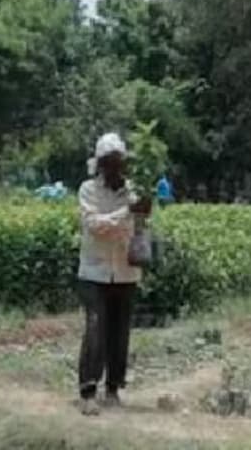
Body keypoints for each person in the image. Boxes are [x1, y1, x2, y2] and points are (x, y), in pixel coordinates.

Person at [76, 132, 152, 416]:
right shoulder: (87, 191)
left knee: (119, 333)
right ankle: (87, 390)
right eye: (108, 163)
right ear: (100, 165)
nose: (114, 169)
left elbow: (137, 229)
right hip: (94, 272)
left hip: (125, 272)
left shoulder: (134, 190)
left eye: (118, 163)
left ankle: (113, 389)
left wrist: (142, 213)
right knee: (96, 328)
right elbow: (95, 225)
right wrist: (126, 214)